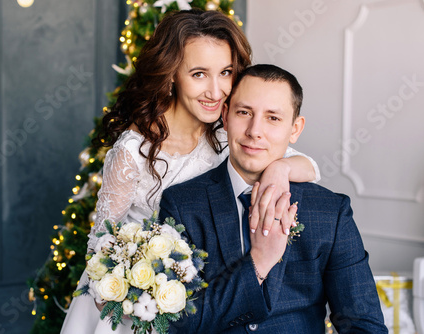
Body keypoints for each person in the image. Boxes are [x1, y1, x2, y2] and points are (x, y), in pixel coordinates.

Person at [60, 11, 320, 334]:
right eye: (199, 74)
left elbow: (310, 167)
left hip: (208, 301)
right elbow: (99, 251)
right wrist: (141, 297)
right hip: (136, 307)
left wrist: (279, 169)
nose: (216, 91)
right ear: (172, 75)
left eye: (225, 72)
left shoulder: (228, 134)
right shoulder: (133, 152)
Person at [159, 64, 387, 333]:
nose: (255, 130)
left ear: (295, 129)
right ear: (225, 115)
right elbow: (179, 322)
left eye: (273, 118)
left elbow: (364, 325)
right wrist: (258, 262)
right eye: (244, 112)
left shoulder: (331, 212)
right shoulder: (181, 204)